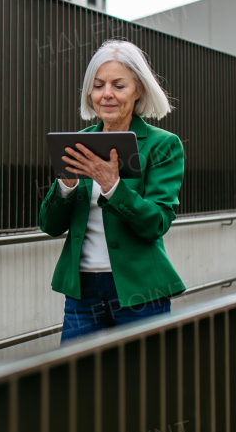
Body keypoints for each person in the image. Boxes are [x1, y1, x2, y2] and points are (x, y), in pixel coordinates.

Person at [38, 39, 185, 342]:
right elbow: (50, 226)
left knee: (142, 385)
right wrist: (65, 186)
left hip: (140, 292)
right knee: (79, 384)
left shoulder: (162, 144)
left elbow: (157, 222)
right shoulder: (76, 142)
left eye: (119, 86)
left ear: (138, 90)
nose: (106, 94)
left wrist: (113, 186)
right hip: (82, 294)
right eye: (98, 85)